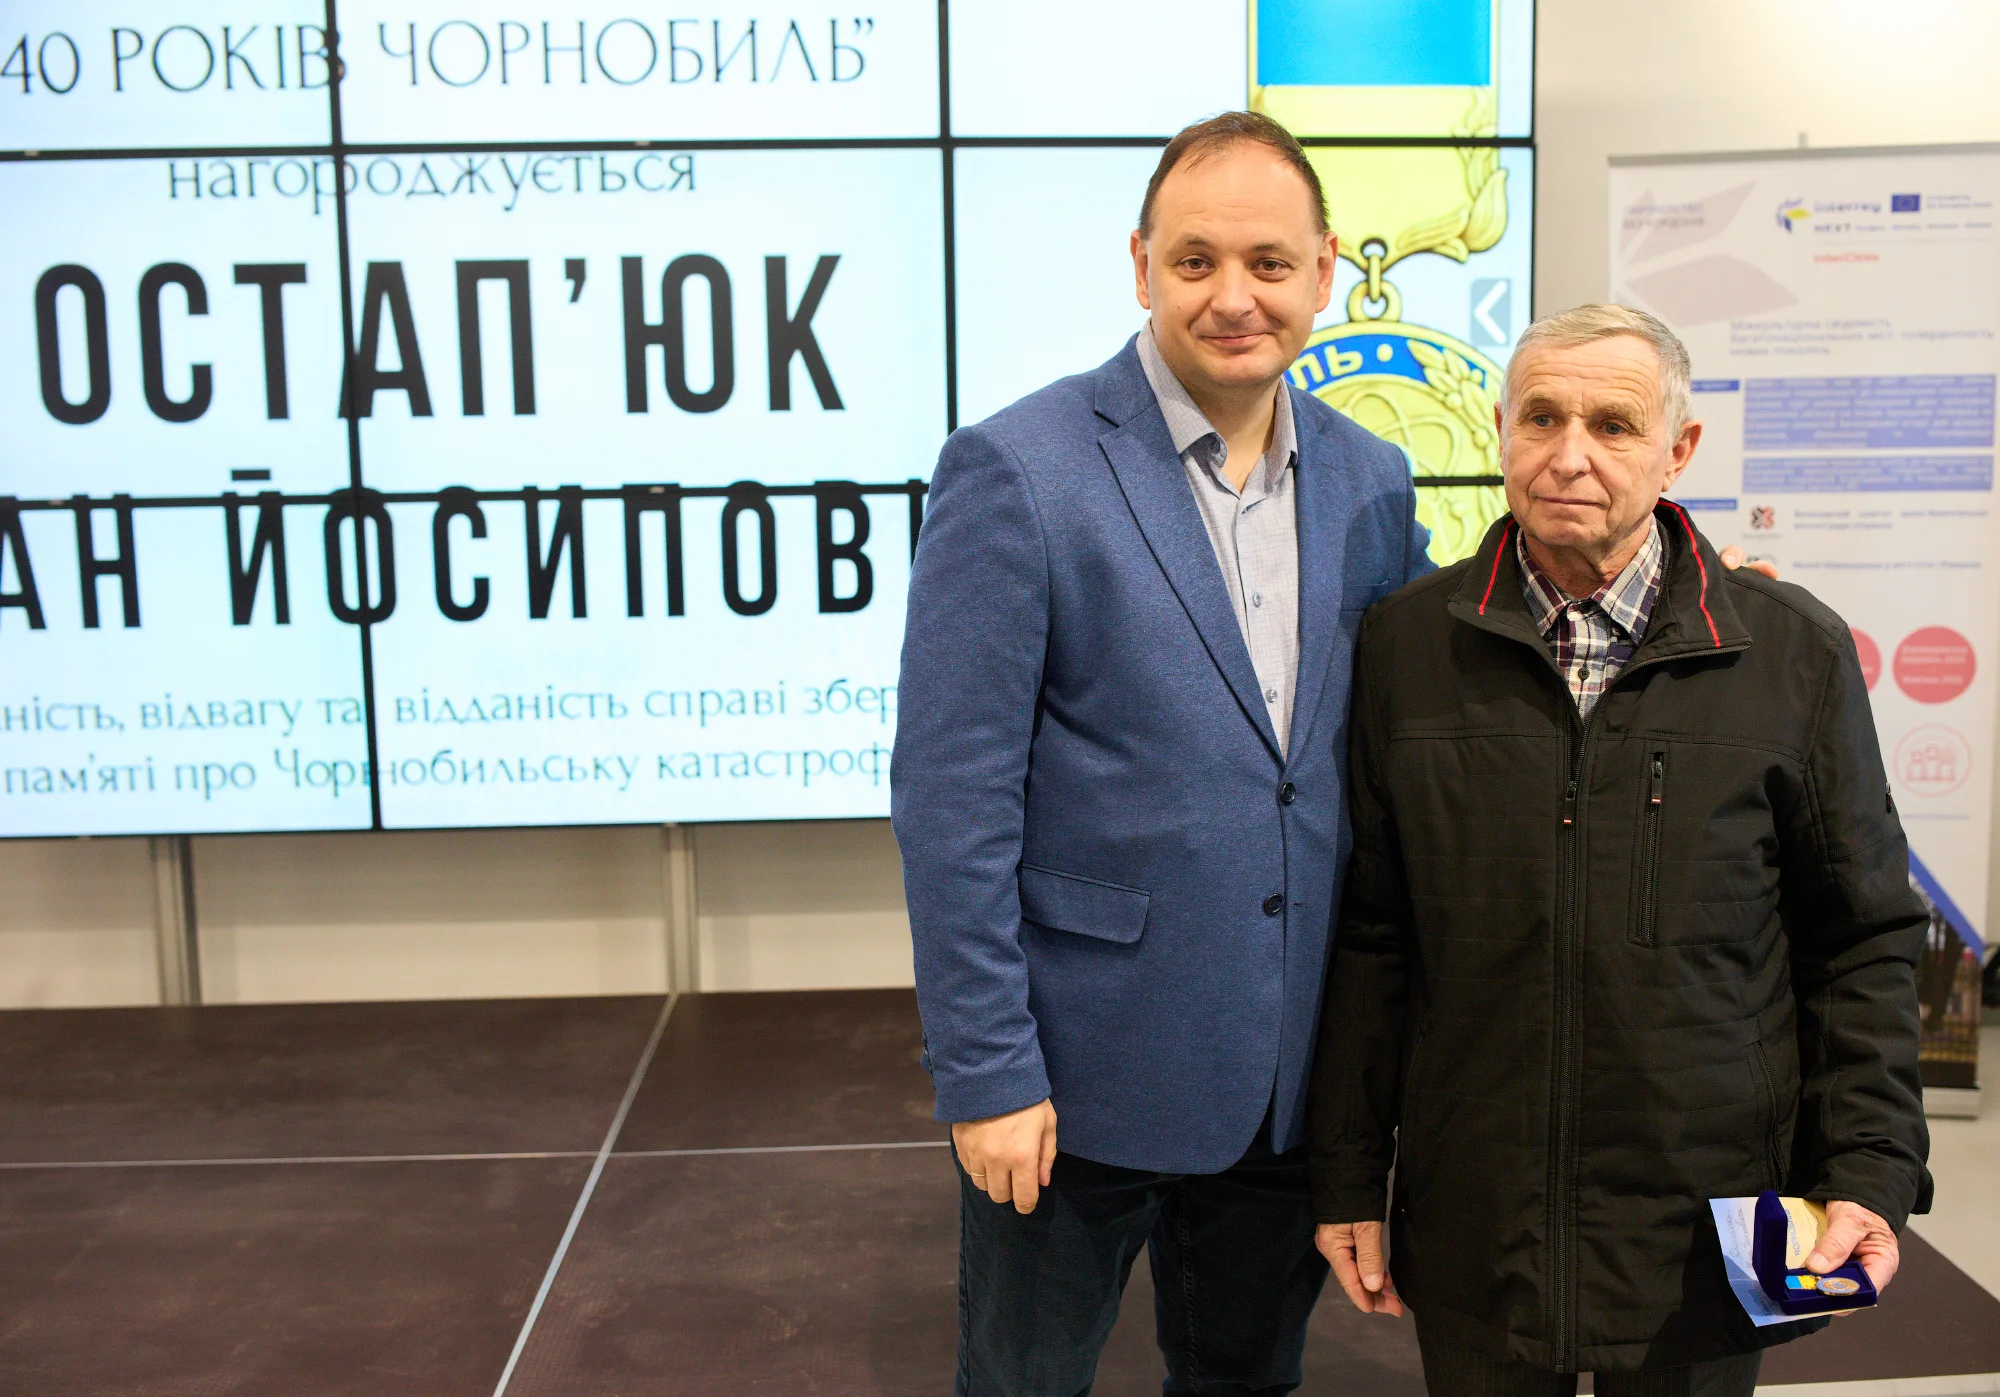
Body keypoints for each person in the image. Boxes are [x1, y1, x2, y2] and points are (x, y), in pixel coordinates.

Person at [891, 109, 1432, 1395]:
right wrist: (985, 1070)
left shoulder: (1370, 478)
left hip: (1287, 1072)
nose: (1233, 296)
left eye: (1267, 261)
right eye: (1195, 261)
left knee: (1246, 1378)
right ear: (1140, 266)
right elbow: (951, 799)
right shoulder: (1017, 469)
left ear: (1323, 271)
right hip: (1075, 1075)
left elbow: (1439, 676)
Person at [1307, 304, 1932, 1397]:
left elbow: (1859, 941)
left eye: (1612, 424)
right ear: (1499, 428)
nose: (1569, 455)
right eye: (1541, 417)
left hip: (1706, 1224)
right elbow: (1372, 934)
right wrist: (1348, 1173)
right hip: (1476, 1218)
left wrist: (1870, 1168)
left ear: (1677, 449)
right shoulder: (1405, 646)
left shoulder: (1791, 652)